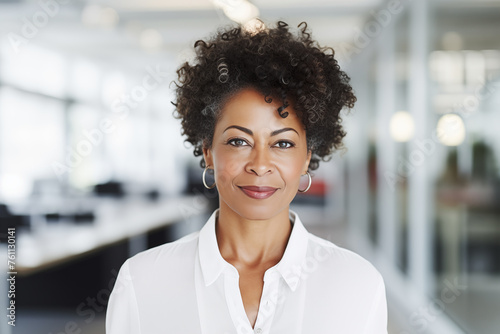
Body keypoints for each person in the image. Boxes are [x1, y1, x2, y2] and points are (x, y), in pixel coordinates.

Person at [106, 20, 388, 334]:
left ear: (307, 156)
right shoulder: (143, 281)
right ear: (209, 151)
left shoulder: (358, 284)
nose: (260, 164)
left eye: (282, 143)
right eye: (239, 141)